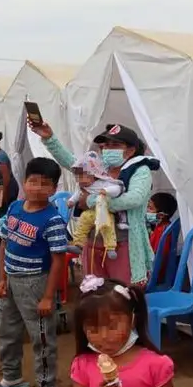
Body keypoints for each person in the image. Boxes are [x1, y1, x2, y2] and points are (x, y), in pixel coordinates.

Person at [29, 121, 159, 285]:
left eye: (115, 145)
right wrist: (49, 138)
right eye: (106, 145)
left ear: (130, 150)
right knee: (94, 290)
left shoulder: (140, 170)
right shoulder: (100, 165)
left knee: (122, 291)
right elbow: (72, 162)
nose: (108, 149)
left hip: (123, 245)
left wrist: (91, 200)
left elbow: (134, 198)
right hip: (93, 242)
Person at [0, 157, 69, 387]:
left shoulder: (52, 220)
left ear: (54, 189)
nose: (37, 188)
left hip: (36, 282)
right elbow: (4, 243)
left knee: (41, 336)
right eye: (33, 181)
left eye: (45, 184)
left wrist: (48, 296)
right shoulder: (14, 208)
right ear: (24, 182)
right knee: (7, 330)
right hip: (11, 279)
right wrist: (2, 279)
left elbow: (58, 260)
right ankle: (11, 377)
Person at [67, 151, 127, 259]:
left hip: (104, 211)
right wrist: (71, 201)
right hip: (90, 212)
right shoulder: (82, 186)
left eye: (82, 176)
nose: (79, 180)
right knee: (82, 223)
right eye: (78, 177)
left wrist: (107, 191)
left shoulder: (104, 183)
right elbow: (77, 194)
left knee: (107, 226)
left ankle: (110, 247)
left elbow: (118, 189)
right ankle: (78, 244)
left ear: (94, 175)